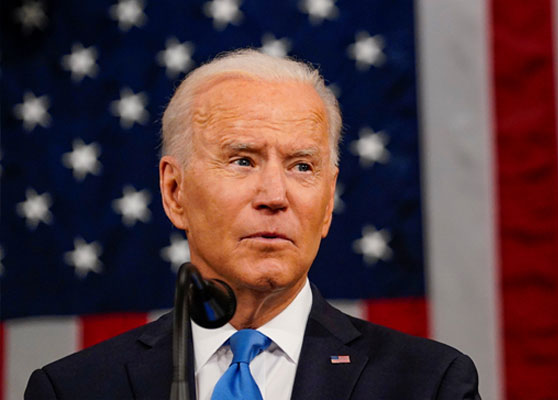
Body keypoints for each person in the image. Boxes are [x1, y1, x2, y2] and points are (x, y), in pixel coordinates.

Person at [24, 49, 480, 400]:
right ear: (174, 191)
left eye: (302, 167)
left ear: (327, 205)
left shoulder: (428, 385)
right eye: (243, 160)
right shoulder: (74, 389)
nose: (275, 196)